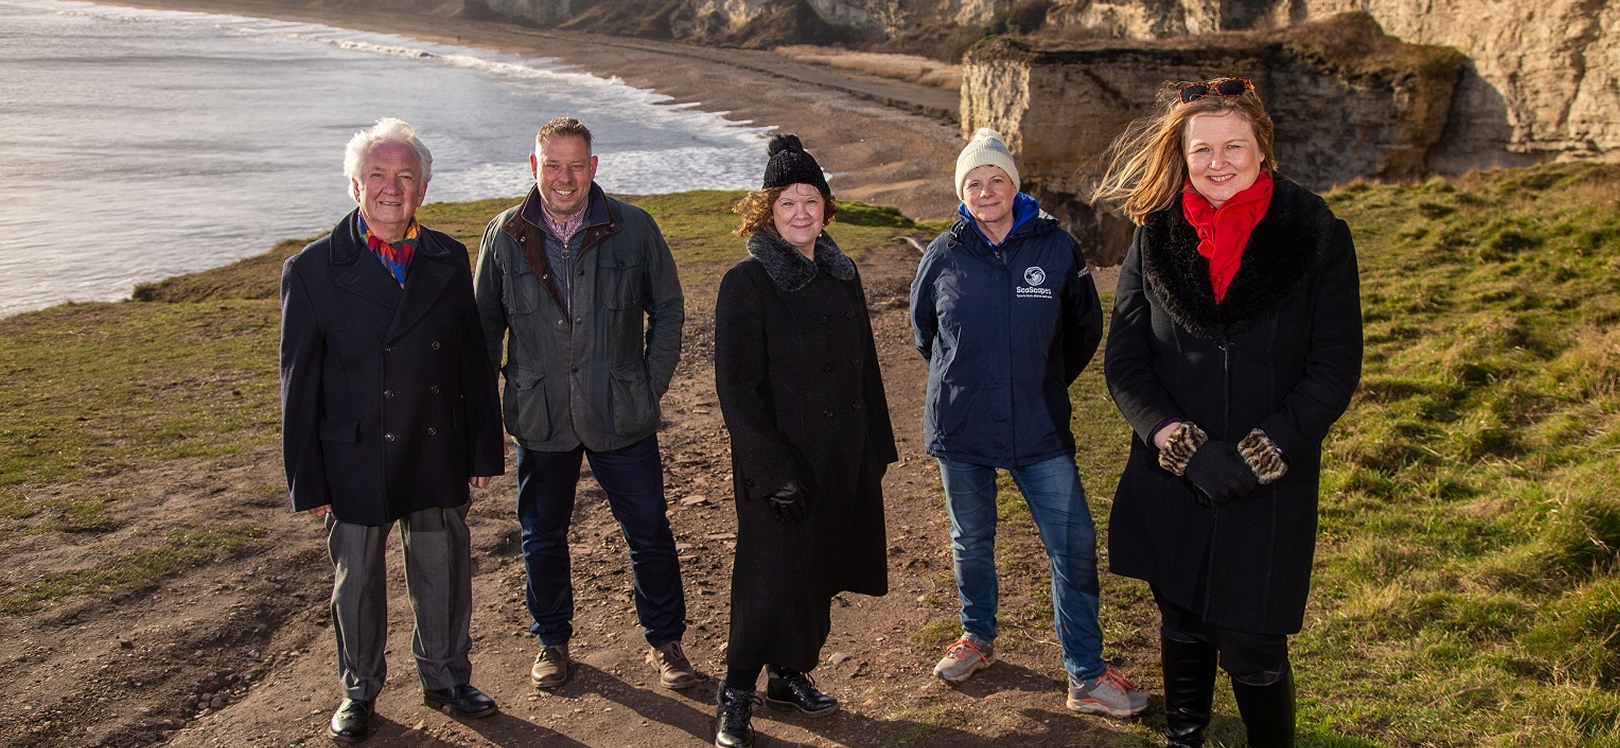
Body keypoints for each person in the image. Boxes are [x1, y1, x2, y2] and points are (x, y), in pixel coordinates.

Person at [1096, 77, 1363, 748]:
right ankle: (1187, 736)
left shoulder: (1318, 232)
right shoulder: (1154, 235)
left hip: (1268, 484)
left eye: (1233, 146)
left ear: (1262, 147)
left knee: (1252, 642)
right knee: (1181, 619)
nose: (1218, 163)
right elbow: (1125, 363)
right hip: (1172, 478)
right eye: (1202, 149)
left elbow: (1333, 368)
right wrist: (1184, 449)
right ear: (1182, 154)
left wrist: (1255, 456)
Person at [279, 117, 506, 744]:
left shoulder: (448, 257)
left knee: (444, 568)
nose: (390, 187)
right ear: (354, 185)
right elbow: (298, 384)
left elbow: (471, 360)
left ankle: (446, 676)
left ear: (423, 190)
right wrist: (306, 476)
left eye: (405, 176)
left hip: (436, 441)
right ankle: (359, 689)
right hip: (352, 451)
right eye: (377, 174)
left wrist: (484, 444)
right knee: (357, 579)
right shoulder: (313, 270)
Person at [909, 127, 1149, 718]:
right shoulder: (944, 252)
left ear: (1014, 186)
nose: (986, 191)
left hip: (1039, 424)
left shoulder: (1056, 249)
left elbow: (1082, 331)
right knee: (972, 538)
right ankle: (977, 639)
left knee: (1073, 543)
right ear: (961, 193)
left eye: (997, 180)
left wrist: (1036, 381)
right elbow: (926, 334)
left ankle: (1087, 676)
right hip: (961, 426)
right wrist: (968, 381)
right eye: (974, 183)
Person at [472, 117, 694, 692]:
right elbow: (481, 333)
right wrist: (482, 418)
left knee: (648, 530)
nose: (564, 177)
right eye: (553, 165)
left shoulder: (635, 227)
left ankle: (666, 643)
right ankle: (551, 640)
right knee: (541, 534)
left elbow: (667, 310)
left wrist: (649, 385)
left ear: (593, 168)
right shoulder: (503, 235)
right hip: (539, 415)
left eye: (576, 165)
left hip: (622, 413)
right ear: (533, 166)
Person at [712, 134, 898, 748]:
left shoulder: (843, 276)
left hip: (840, 454)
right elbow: (737, 392)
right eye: (786, 201)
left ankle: (788, 676)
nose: (799, 212)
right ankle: (734, 696)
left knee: (817, 570)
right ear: (767, 210)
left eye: (809, 200)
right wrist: (772, 470)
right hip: (780, 463)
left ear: (826, 207)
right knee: (768, 576)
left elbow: (865, 367)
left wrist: (875, 448)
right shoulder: (747, 283)